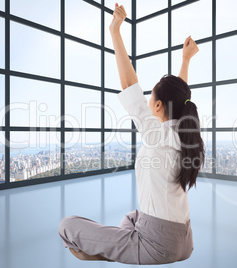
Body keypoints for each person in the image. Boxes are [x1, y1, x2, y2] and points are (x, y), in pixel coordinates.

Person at [58, 3, 205, 265]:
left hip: (160, 245)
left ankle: (115, 250)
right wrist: (184, 60)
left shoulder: (156, 135)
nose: (147, 100)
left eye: (151, 97)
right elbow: (179, 98)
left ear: (158, 106)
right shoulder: (186, 134)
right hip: (186, 240)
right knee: (131, 217)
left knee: (67, 226)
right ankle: (121, 245)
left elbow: (129, 85)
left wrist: (115, 31)